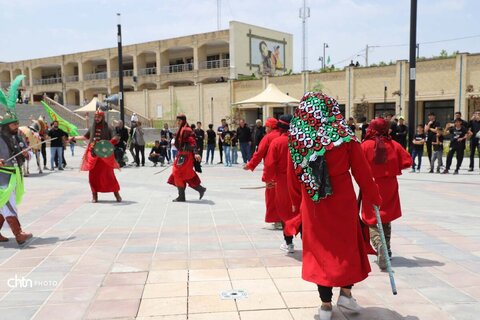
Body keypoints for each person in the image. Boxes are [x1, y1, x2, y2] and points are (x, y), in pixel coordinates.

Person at [286, 92, 381, 320]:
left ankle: (325, 305)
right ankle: (346, 294)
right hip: (342, 200)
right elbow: (362, 172)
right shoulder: (343, 135)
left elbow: (293, 178)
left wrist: (297, 205)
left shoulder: (298, 139)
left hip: (313, 202)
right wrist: (373, 196)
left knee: (320, 251)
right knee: (346, 246)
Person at [361, 117, 412, 270]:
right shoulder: (394, 144)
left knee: (371, 218)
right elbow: (407, 162)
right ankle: (387, 249)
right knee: (386, 216)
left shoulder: (365, 145)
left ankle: (379, 244)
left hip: (371, 184)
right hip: (389, 185)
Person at [0, 78, 33, 244]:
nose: (16, 126)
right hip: (2, 177)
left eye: (17, 123)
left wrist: (27, 155)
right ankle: (18, 234)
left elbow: (26, 150)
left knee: (3, 206)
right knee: (8, 204)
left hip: (15, 175)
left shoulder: (18, 136)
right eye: (13, 124)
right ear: (6, 125)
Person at [263, 114, 300, 253]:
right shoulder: (300, 141)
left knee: (285, 211)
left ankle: (289, 243)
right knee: (301, 210)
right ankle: (307, 242)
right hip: (300, 180)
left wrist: (268, 180)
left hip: (283, 182)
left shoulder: (277, 142)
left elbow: (269, 165)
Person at [70, 110, 122, 203]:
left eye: (99, 117)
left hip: (104, 156)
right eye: (96, 117)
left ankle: (117, 195)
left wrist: (109, 143)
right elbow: (85, 137)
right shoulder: (92, 127)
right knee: (93, 177)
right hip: (94, 154)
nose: (97, 118)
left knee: (109, 176)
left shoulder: (108, 127)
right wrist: (73, 138)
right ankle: (94, 196)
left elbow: (116, 137)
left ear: (102, 117)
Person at [244, 118, 281, 228]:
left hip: (273, 173)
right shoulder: (286, 136)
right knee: (284, 197)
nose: (265, 129)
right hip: (286, 173)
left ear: (270, 127)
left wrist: (250, 165)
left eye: (266, 127)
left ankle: (277, 221)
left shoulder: (268, 138)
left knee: (273, 197)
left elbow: (259, 153)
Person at [167, 115, 206, 202]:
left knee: (177, 172)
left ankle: (182, 196)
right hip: (182, 155)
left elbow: (192, 141)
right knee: (184, 174)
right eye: (177, 120)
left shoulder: (186, 130)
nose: (178, 122)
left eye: (179, 121)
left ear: (183, 121)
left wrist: (196, 153)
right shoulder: (182, 129)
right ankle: (199, 190)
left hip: (186, 156)